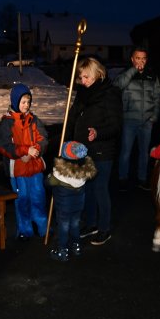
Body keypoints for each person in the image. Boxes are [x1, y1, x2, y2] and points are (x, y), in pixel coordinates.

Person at [65, 57, 123, 246]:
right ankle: (91, 224)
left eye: (87, 77)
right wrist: (67, 135)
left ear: (98, 74)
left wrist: (98, 133)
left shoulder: (110, 94)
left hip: (103, 151)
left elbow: (115, 125)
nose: (84, 81)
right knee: (87, 189)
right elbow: (73, 118)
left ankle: (104, 228)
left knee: (99, 189)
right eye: (81, 77)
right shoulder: (82, 93)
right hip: (83, 150)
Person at [0, 84, 49, 241]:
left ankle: (42, 226)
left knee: (39, 196)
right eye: (23, 102)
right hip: (18, 168)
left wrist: (36, 150)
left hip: (35, 167)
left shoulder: (34, 119)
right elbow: (3, 145)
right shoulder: (7, 122)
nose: (26, 105)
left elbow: (44, 138)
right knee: (23, 199)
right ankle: (25, 229)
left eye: (28, 102)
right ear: (15, 102)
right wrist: (24, 151)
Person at [113, 47, 160, 191]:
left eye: (143, 58)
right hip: (129, 120)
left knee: (144, 153)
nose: (141, 61)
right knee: (126, 152)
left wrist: (154, 116)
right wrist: (133, 70)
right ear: (132, 59)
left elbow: (158, 97)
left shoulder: (152, 75)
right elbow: (117, 85)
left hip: (147, 121)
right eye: (138, 58)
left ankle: (142, 179)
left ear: (146, 60)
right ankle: (122, 178)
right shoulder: (125, 74)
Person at [47, 141, 97, 261]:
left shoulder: (59, 174)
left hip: (63, 207)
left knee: (63, 227)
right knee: (75, 224)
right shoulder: (83, 173)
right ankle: (76, 246)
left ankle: (62, 251)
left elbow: (48, 183)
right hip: (78, 206)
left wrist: (49, 176)